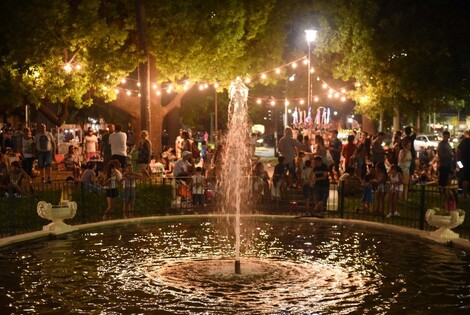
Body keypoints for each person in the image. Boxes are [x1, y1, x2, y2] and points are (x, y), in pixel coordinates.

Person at [457, 130, 470, 197]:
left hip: (462, 163)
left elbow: (458, 151)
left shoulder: (464, 142)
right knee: (466, 178)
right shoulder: (464, 141)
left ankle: (460, 193)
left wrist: (458, 162)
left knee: (462, 177)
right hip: (467, 163)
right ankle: (466, 193)